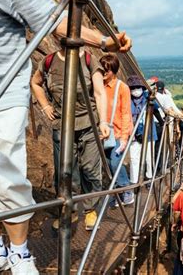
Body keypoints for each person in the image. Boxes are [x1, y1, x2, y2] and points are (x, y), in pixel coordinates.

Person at [0, 0, 131, 273]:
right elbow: (41, 83)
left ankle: (20, 254)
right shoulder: (50, 62)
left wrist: (105, 41)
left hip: (3, 94)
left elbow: (53, 19)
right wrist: (44, 106)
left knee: (7, 178)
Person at [31, 48, 109, 231]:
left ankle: (90, 209)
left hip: (89, 124)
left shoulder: (89, 60)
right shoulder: (49, 61)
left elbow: (99, 93)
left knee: (90, 170)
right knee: (65, 173)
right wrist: (45, 106)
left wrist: (104, 121)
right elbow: (35, 83)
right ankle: (69, 212)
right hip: (62, 125)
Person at [100, 54, 134, 206]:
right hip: (104, 132)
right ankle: (117, 194)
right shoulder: (98, 86)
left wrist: (125, 138)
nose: (103, 73)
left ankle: (127, 190)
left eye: (107, 70)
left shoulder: (122, 87)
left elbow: (126, 112)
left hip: (119, 132)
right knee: (108, 166)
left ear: (113, 70)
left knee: (115, 163)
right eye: (102, 69)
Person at [127, 75, 164, 188]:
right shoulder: (128, 100)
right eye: (133, 88)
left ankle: (149, 179)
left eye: (138, 87)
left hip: (148, 133)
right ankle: (134, 182)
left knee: (149, 158)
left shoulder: (147, 98)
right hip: (134, 134)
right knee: (134, 158)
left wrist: (162, 123)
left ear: (142, 88)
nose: (136, 90)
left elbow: (155, 111)